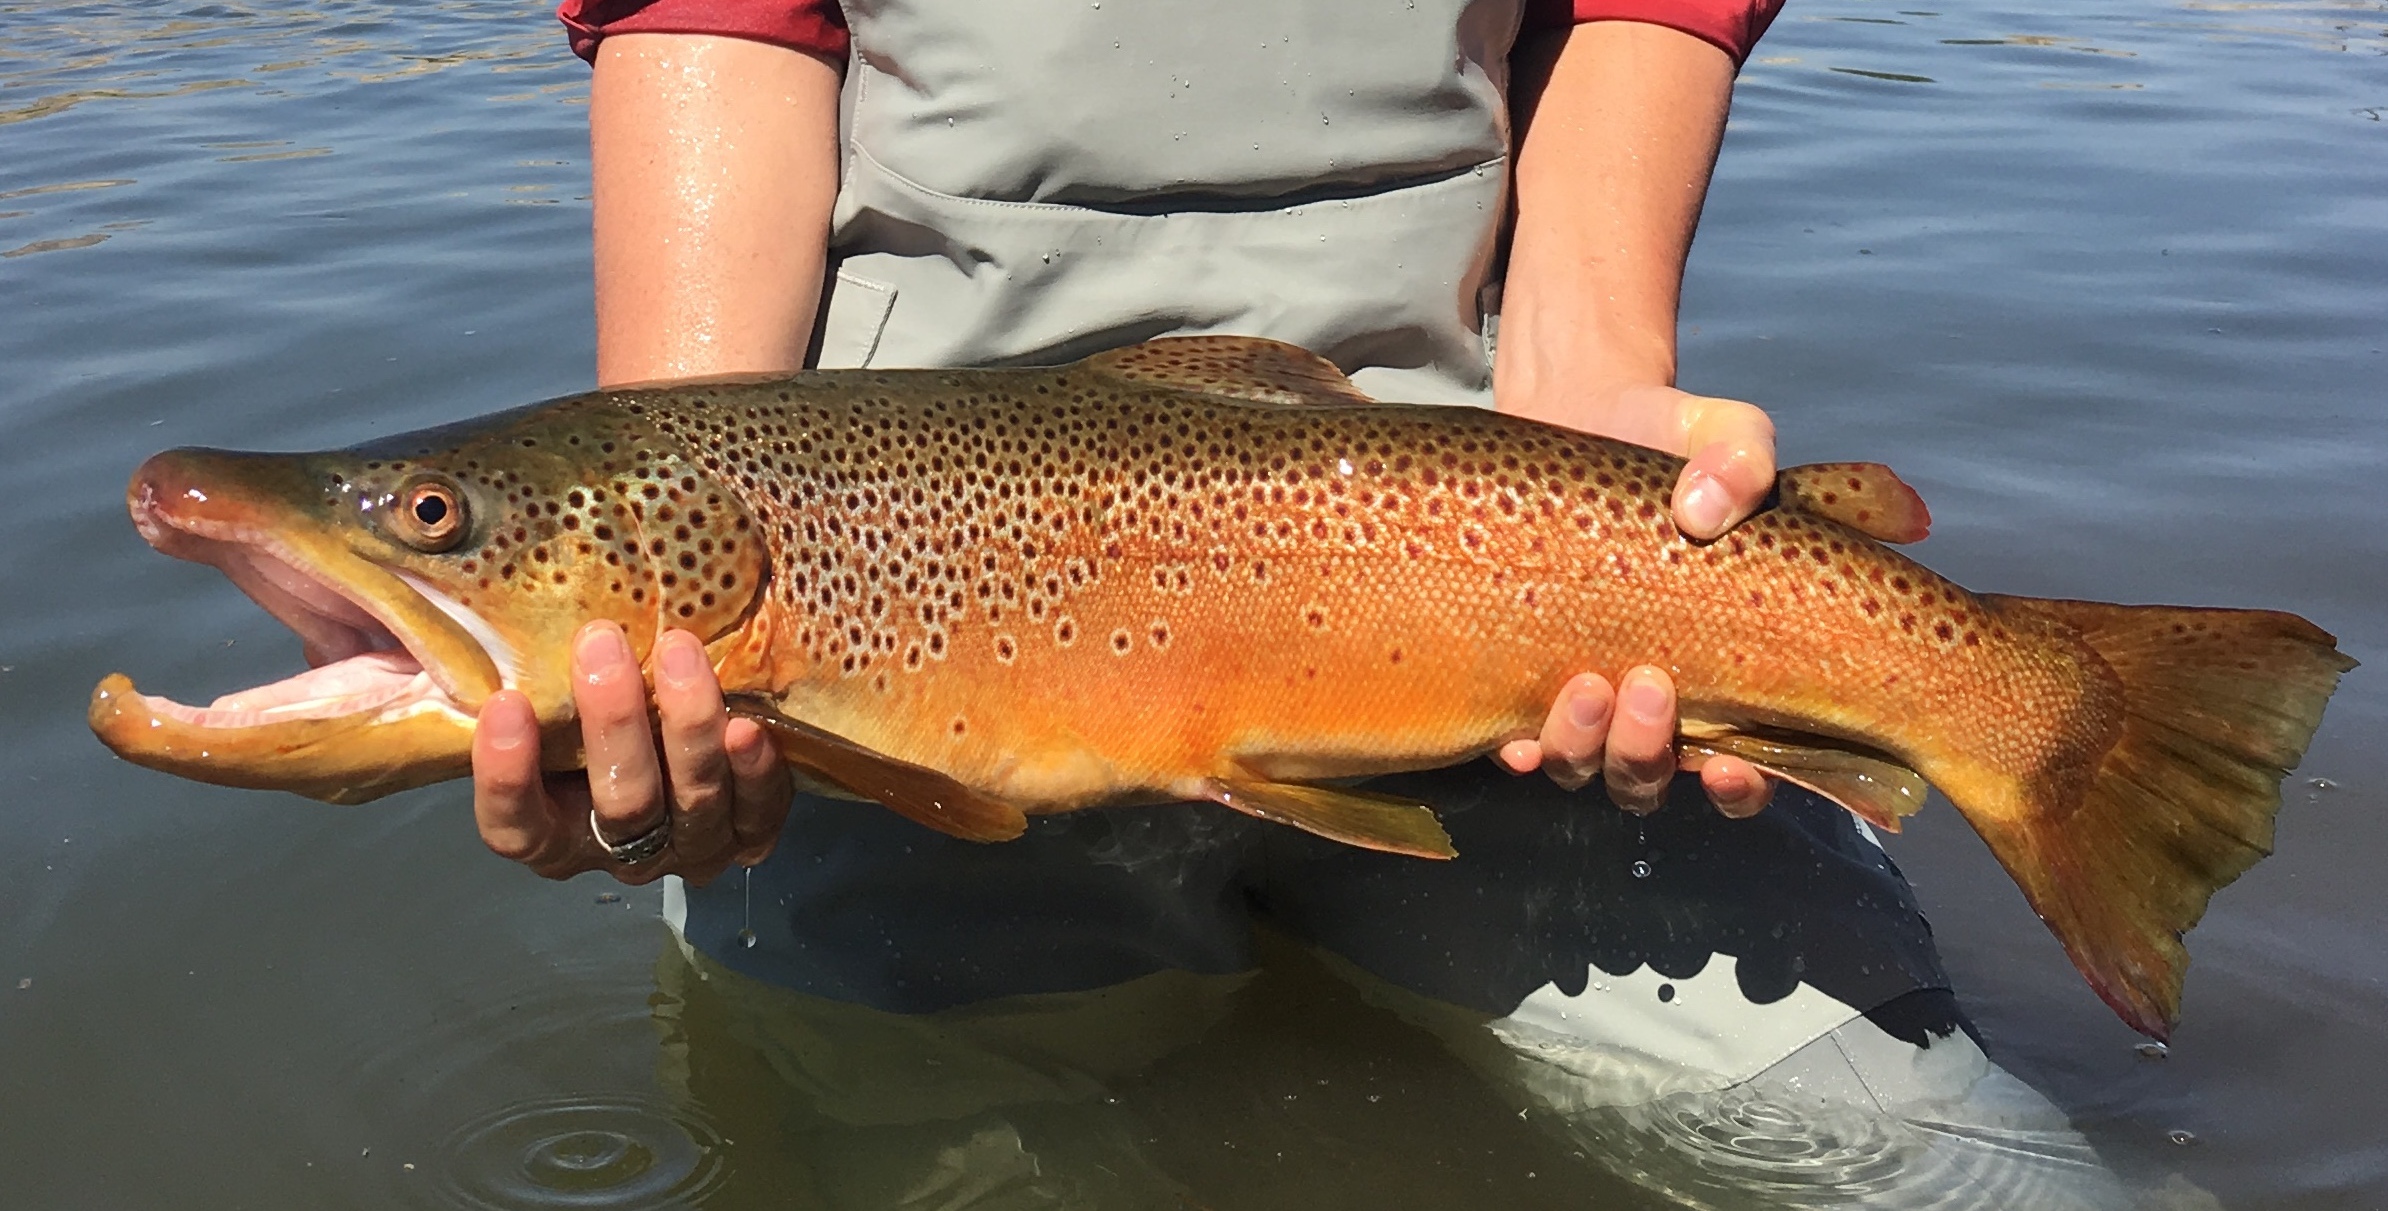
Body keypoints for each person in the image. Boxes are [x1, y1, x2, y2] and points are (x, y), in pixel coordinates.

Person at [469, 2, 2137, 1205]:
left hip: (1479, 618)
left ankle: (2048, 737)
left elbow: (1612, 182)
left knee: (1975, 1178)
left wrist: (1600, 406)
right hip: (896, 706)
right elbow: (685, 416)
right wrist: (655, 714)